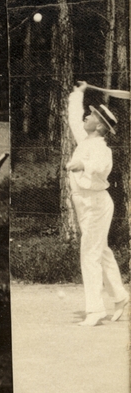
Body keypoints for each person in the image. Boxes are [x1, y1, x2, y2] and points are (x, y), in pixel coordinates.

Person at [66, 82, 127, 326]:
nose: (86, 116)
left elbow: (101, 168)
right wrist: (77, 94)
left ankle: (95, 310)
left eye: (90, 115)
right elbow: (72, 118)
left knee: (89, 254)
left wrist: (84, 166)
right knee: (100, 251)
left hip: (97, 205)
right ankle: (120, 296)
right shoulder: (84, 140)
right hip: (84, 203)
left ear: (99, 125)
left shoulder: (103, 149)